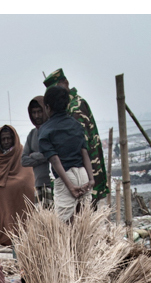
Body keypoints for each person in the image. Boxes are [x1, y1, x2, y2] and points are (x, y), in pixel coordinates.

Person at [43, 69, 109, 207]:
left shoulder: (74, 107)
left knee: (78, 216)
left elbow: (79, 147)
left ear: (65, 83)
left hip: (82, 170)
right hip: (82, 172)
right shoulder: (70, 106)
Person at [38, 84, 93, 222]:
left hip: (66, 176)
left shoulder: (45, 130)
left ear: (47, 107)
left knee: (65, 223)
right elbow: (84, 152)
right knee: (84, 221)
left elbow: (55, 160)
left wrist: (70, 186)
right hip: (83, 174)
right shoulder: (76, 125)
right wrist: (91, 179)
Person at [0, 125, 38, 247]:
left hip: (22, 212)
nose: (6, 142)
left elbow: (28, 183)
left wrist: (11, 187)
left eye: (9, 138)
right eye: (3, 139)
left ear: (14, 139)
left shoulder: (23, 156)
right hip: (5, 215)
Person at [20, 96, 53, 205]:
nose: (37, 116)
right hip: (39, 184)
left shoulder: (52, 130)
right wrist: (44, 156)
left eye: (39, 111)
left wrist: (34, 155)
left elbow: (54, 153)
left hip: (53, 184)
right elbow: (24, 160)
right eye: (34, 113)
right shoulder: (32, 134)